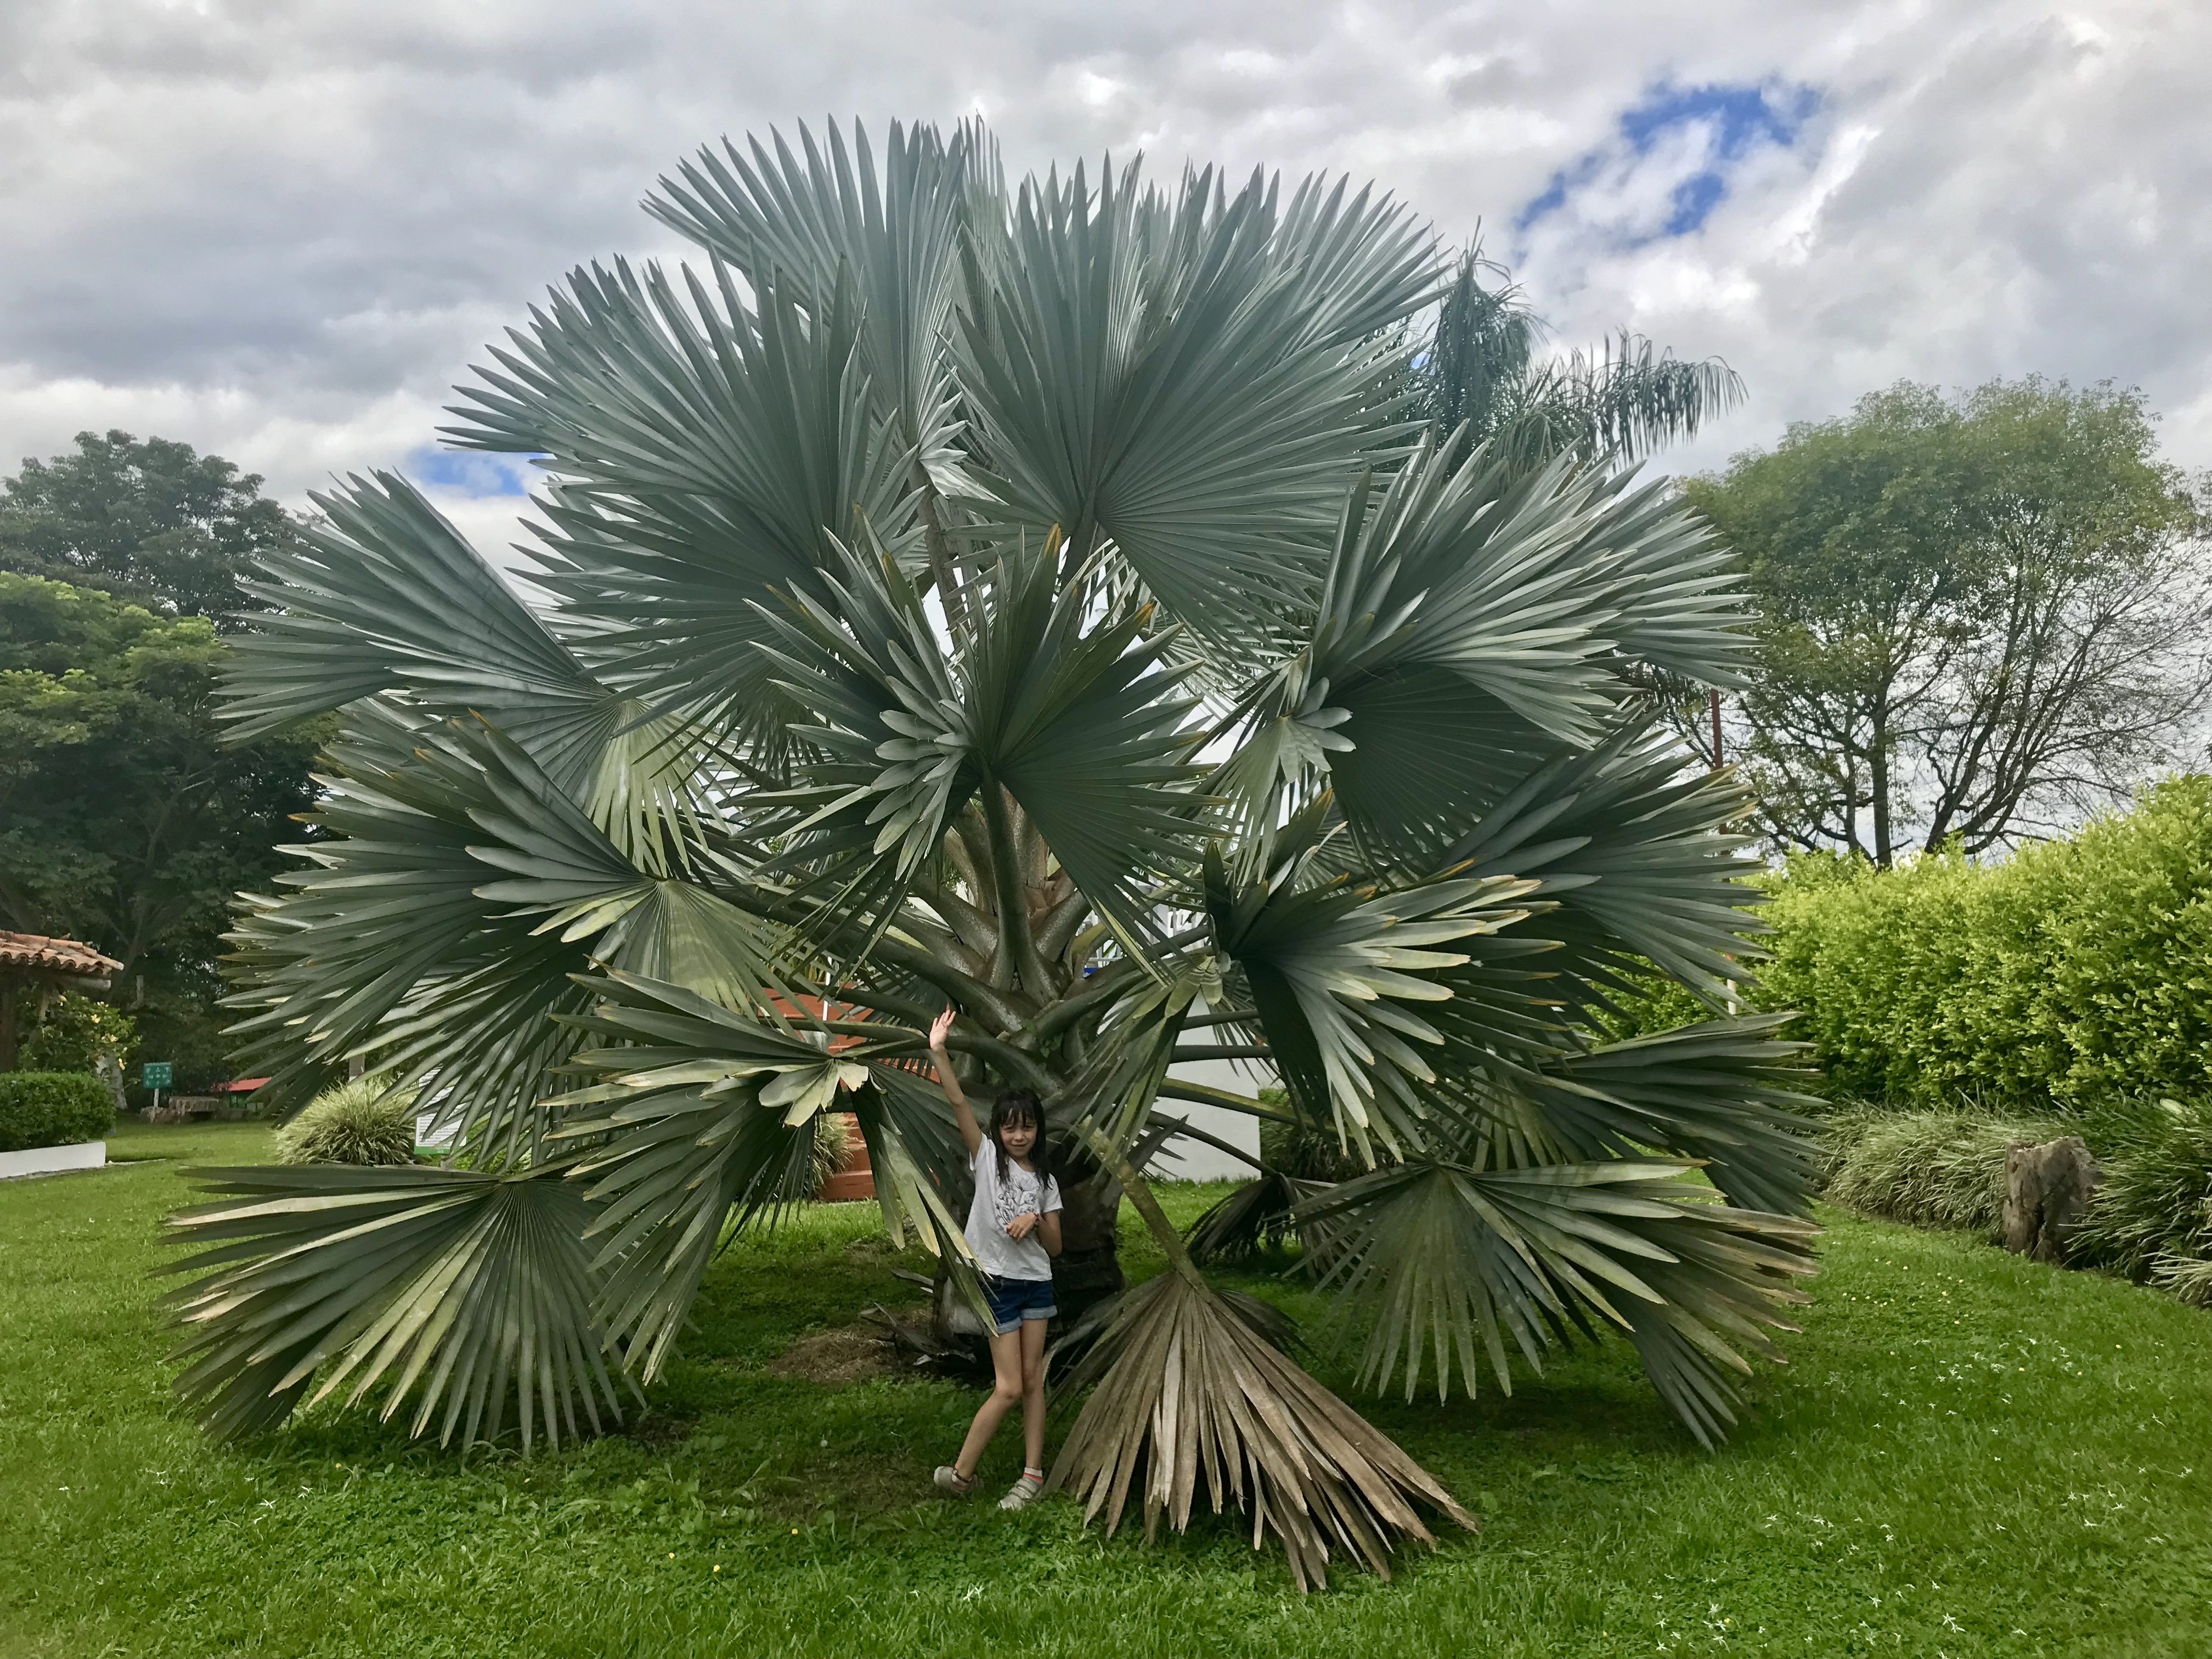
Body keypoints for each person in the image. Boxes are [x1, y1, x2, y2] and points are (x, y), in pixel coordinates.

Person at [927, 1006, 1063, 1511]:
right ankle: (961, 1474)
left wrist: (1035, 1221)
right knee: (1008, 1387)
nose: (1019, 1135)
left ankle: (1032, 1475)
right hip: (996, 1284)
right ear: (998, 1131)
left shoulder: (1046, 1181)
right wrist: (939, 1051)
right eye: (1010, 1128)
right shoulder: (985, 1159)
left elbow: (1056, 1247)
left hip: (1036, 1285)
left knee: (1031, 1382)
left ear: (1037, 1131)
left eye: (1027, 1127)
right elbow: (959, 1101)